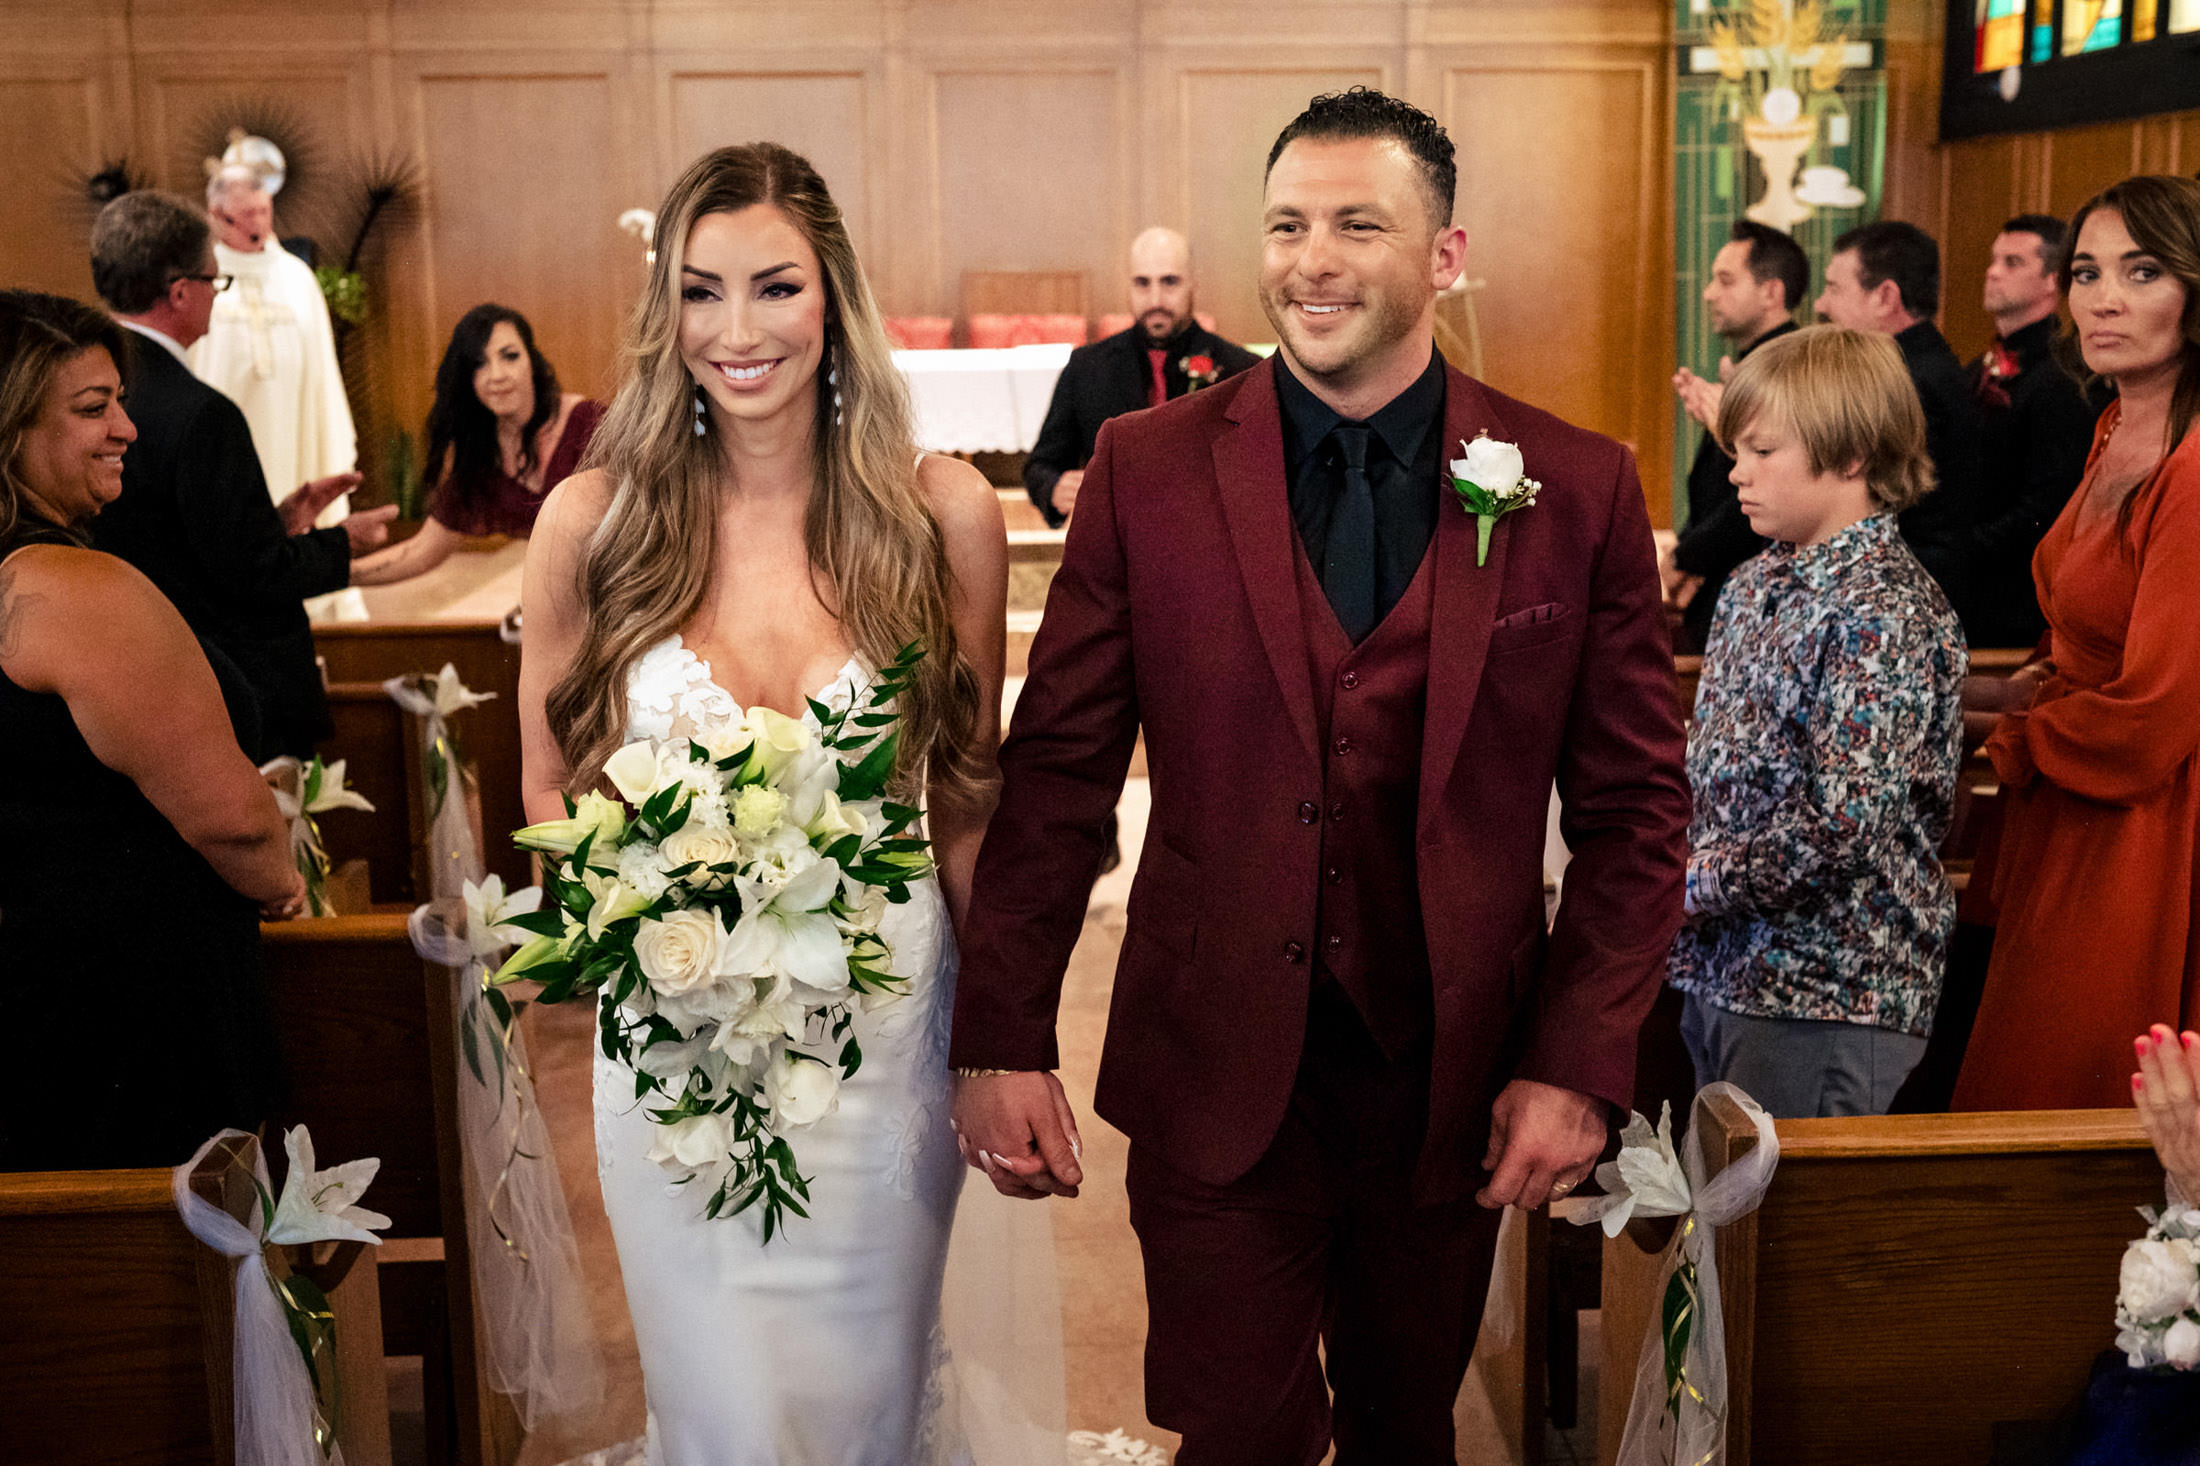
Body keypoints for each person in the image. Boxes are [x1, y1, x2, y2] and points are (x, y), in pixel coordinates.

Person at [951, 87, 1690, 1464]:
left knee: (1410, 1422)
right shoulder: (1145, 471)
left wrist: (1577, 1063)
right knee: (1236, 1426)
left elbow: (1638, 815)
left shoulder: (1569, 487)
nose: (1313, 258)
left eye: (1359, 222)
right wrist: (1002, 1031)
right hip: (1214, 1056)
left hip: (1449, 1079)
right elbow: (1056, 774)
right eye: (1288, 224)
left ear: (1445, 257)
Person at [517, 144, 1057, 1464]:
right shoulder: (593, 520)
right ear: (666, 313)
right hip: (674, 1045)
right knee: (719, 1408)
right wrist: (641, 927)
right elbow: (549, 785)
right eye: (701, 293)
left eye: (775, 287)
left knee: (865, 1399)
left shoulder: (943, 516)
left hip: (883, 1045)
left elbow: (968, 797)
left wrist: (1007, 1035)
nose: (739, 331)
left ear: (834, 297)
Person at [0, 290, 302, 1171]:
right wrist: (279, 877)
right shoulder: (74, 591)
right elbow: (230, 819)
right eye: (93, 408)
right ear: (10, 427)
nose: (126, 428)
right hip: (128, 1008)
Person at [1665, 326, 1966, 1118]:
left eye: (1762, 451)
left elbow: (1842, 827)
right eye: (1737, 450)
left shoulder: (1882, 607)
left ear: (1851, 455)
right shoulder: (1752, 581)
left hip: (1830, 983)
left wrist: (1691, 881)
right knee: (1716, 1227)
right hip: (1724, 965)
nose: (1737, 472)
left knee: (1783, 1232)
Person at [1953, 175, 2200, 1112]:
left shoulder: (2193, 464)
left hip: (2140, 818)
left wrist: (2012, 736)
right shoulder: (2113, 423)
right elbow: (2081, 633)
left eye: (2142, 272)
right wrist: (1997, 694)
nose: (2104, 298)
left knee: (2063, 1086)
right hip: (2067, 799)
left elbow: (2157, 711)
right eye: (2088, 272)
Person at [87, 190, 395, 762]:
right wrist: (340, 542)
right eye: (214, 280)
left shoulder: (96, 391)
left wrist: (277, 522)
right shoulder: (200, 412)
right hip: (223, 686)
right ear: (179, 293)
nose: (217, 295)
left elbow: (179, 537)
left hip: (134, 667)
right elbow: (252, 576)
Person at [1023, 226, 1261, 528]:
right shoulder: (1086, 367)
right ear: (1128, 287)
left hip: (1209, 542)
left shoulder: (1241, 369)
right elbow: (1041, 466)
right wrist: (1054, 487)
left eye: (1170, 282)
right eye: (1142, 283)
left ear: (1194, 285)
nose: (1155, 300)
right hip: (1116, 547)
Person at [351, 304, 602, 584]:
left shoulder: (589, 423)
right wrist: (330, 573)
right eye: (479, 364)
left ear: (532, 361)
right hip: (562, 594)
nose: (496, 375)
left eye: (510, 356)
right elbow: (421, 551)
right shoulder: (480, 464)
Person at [1816, 219, 1983, 631]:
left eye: (1835, 288)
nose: (1821, 304)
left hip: (1906, 603)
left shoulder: (1909, 378)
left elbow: (1871, 497)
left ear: (1886, 296)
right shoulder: (1916, 364)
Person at [1662, 218, 1808, 652]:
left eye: (1725, 281)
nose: (1709, 293)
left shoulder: (1792, 369)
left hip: (1763, 595)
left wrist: (1683, 557)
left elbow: (1763, 495)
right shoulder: (1757, 362)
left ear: (1771, 292)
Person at [191, 166, 359, 533]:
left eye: (264, 211)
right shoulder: (199, 276)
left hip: (292, 420)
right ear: (216, 215)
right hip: (226, 427)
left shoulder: (296, 276)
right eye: (247, 214)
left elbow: (323, 368)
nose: (259, 223)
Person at [1967, 214, 2101, 651]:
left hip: (2015, 595)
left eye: (2012, 262)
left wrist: (1964, 548)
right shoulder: (1978, 366)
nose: (1992, 271)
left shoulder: (2062, 375)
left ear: (2051, 281)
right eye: (1993, 260)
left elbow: (2049, 502)